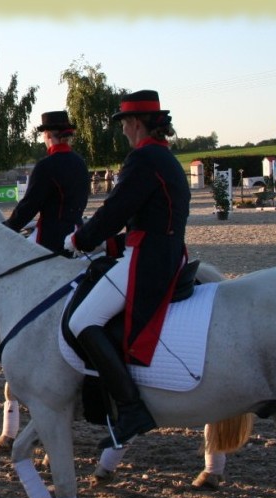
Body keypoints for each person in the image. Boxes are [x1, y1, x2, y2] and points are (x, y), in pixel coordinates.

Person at [63, 90, 191, 449]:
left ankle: (132, 408)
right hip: (165, 251)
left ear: (135, 123)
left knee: (81, 321)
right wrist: (108, 245)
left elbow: (114, 210)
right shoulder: (165, 157)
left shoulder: (143, 158)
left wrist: (81, 240)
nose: (122, 131)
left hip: (148, 260)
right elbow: (148, 221)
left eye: (123, 124)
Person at [3, 111, 90, 255]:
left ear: (47, 135)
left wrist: (6, 228)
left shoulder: (45, 166)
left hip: (51, 239)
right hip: (77, 232)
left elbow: (29, 206)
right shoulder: (80, 162)